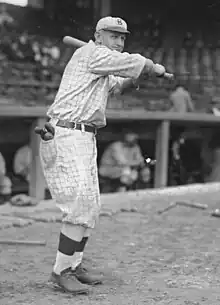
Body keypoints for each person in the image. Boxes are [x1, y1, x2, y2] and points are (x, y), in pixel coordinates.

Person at [35, 16, 172, 294]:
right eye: (113, 36)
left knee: (90, 206)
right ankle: (61, 271)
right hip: (67, 133)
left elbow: (116, 85)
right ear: (98, 36)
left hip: (85, 136)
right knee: (77, 207)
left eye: (122, 37)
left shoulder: (101, 62)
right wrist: (151, 67)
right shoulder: (92, 54)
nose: (119, 42)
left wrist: (136, 78)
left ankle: (74, 265)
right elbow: (137, 62)